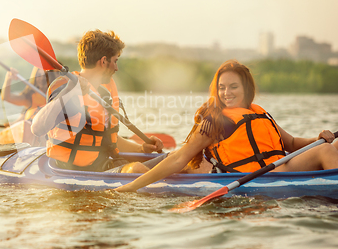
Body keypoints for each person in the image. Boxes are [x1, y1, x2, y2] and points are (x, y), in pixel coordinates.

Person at [116, 60, 338, 191]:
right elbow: (179, 157)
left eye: (233, 86)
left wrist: (317, 139)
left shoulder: (258, 112)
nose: (226, 93)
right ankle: (131, 172)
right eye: (222, 87)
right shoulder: (215, 121)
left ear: (246, 88)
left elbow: (290, 143)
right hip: (243, 174)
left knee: (329, 148)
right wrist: (129, 188)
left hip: (278, 168)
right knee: (327, 151)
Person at [31, 30, 163, 173]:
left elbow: (108, 139)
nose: (116, 68)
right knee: (137, 169)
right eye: (115, 61)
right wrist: (69, 91)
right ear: (104, 61)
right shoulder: (67, 89)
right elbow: (37, 128)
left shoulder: (103, 94)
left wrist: (141, 148)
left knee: (171, 159)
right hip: (76, 171)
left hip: (104, 165)